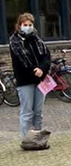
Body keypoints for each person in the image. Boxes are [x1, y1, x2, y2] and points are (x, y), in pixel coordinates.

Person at [9, 13, 51, 149]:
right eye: (25, 25)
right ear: (19, 26)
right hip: (25, 80)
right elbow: (22, 60)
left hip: (40, 79)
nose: (28, 27)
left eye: (30, 25)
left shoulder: (37, 40)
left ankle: (38, 139)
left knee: (38, 111)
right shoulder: (15, 41)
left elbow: (46, 56)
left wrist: (42, 69)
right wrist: (35, 70)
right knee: (27, 111)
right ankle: (26, 140)